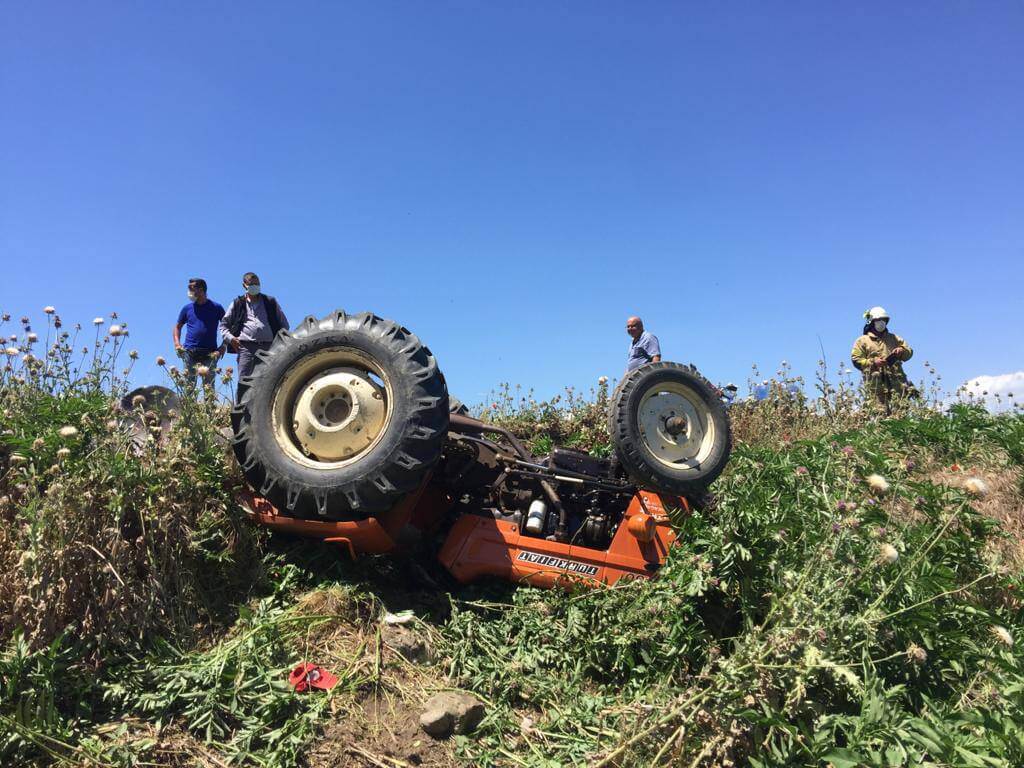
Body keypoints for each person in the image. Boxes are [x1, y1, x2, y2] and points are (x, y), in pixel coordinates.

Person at [219, 272, 290, 387]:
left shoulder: (270, 302)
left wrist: (280, 343)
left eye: (257, 284)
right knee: (245, 382)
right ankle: (242, 405)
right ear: (244, 285)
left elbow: (284, 325)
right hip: (246, 348)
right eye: (252, 284)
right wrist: (231, 339)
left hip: (269, 347)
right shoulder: (238, 303)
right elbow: (223, 326)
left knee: (270, 381)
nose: (255, 287)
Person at [851, 306, 914, 411]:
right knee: (880, 414)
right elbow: (856, 360)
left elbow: (909, 352)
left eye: (884, 320)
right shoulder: (862, 341)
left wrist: (901, 350)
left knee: (901, 413)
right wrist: (873, 362)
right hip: (876, 386)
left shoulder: (894, 338)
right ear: (871, 322)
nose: (881, 323)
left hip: (898, 384)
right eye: (878, 320)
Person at [173, 278, 225, 396]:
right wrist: (177, 344)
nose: (189, 291)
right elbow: (177, 327)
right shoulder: (187, 308)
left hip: (210, 354)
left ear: (201, 290)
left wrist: (223, 347)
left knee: (209, 389)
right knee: (189, 388)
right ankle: (189, 414)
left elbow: (228, 328)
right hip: (190, 353)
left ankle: (209, 414)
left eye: (191, 288)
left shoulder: (217, 308)